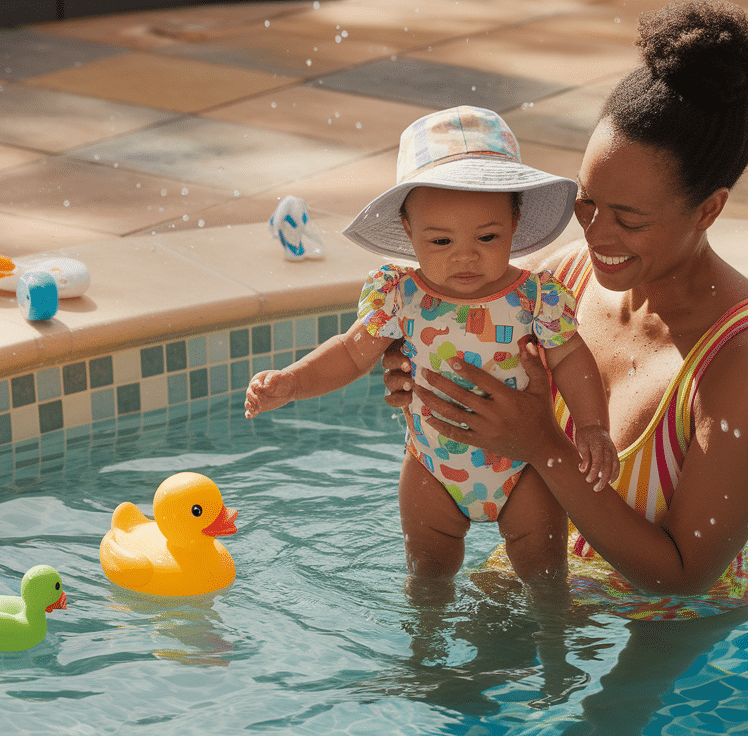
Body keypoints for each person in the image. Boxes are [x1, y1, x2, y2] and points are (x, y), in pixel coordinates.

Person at [383, 0, 748, 617]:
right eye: (587, 203)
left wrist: (543, 445)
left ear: (709, 210)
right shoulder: (562, 283)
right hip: (544, 574)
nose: (597, 236)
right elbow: (486, 429)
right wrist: (425, 377)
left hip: (670, 630)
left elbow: (683, 576)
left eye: (630, 220)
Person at [245, 106, 620, 594]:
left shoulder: (536, 297)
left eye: (486, 237)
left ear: (514, 220)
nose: (464, 255)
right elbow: (351, 352)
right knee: (427, 577)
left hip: (523, 468)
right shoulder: (399, 297)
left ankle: (554, 655)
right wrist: (293, 382)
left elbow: (570, 358)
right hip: (432, 468)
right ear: (407, 230)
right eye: (440, 240)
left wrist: (592, 426)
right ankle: (424, 658)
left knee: (545, 579)